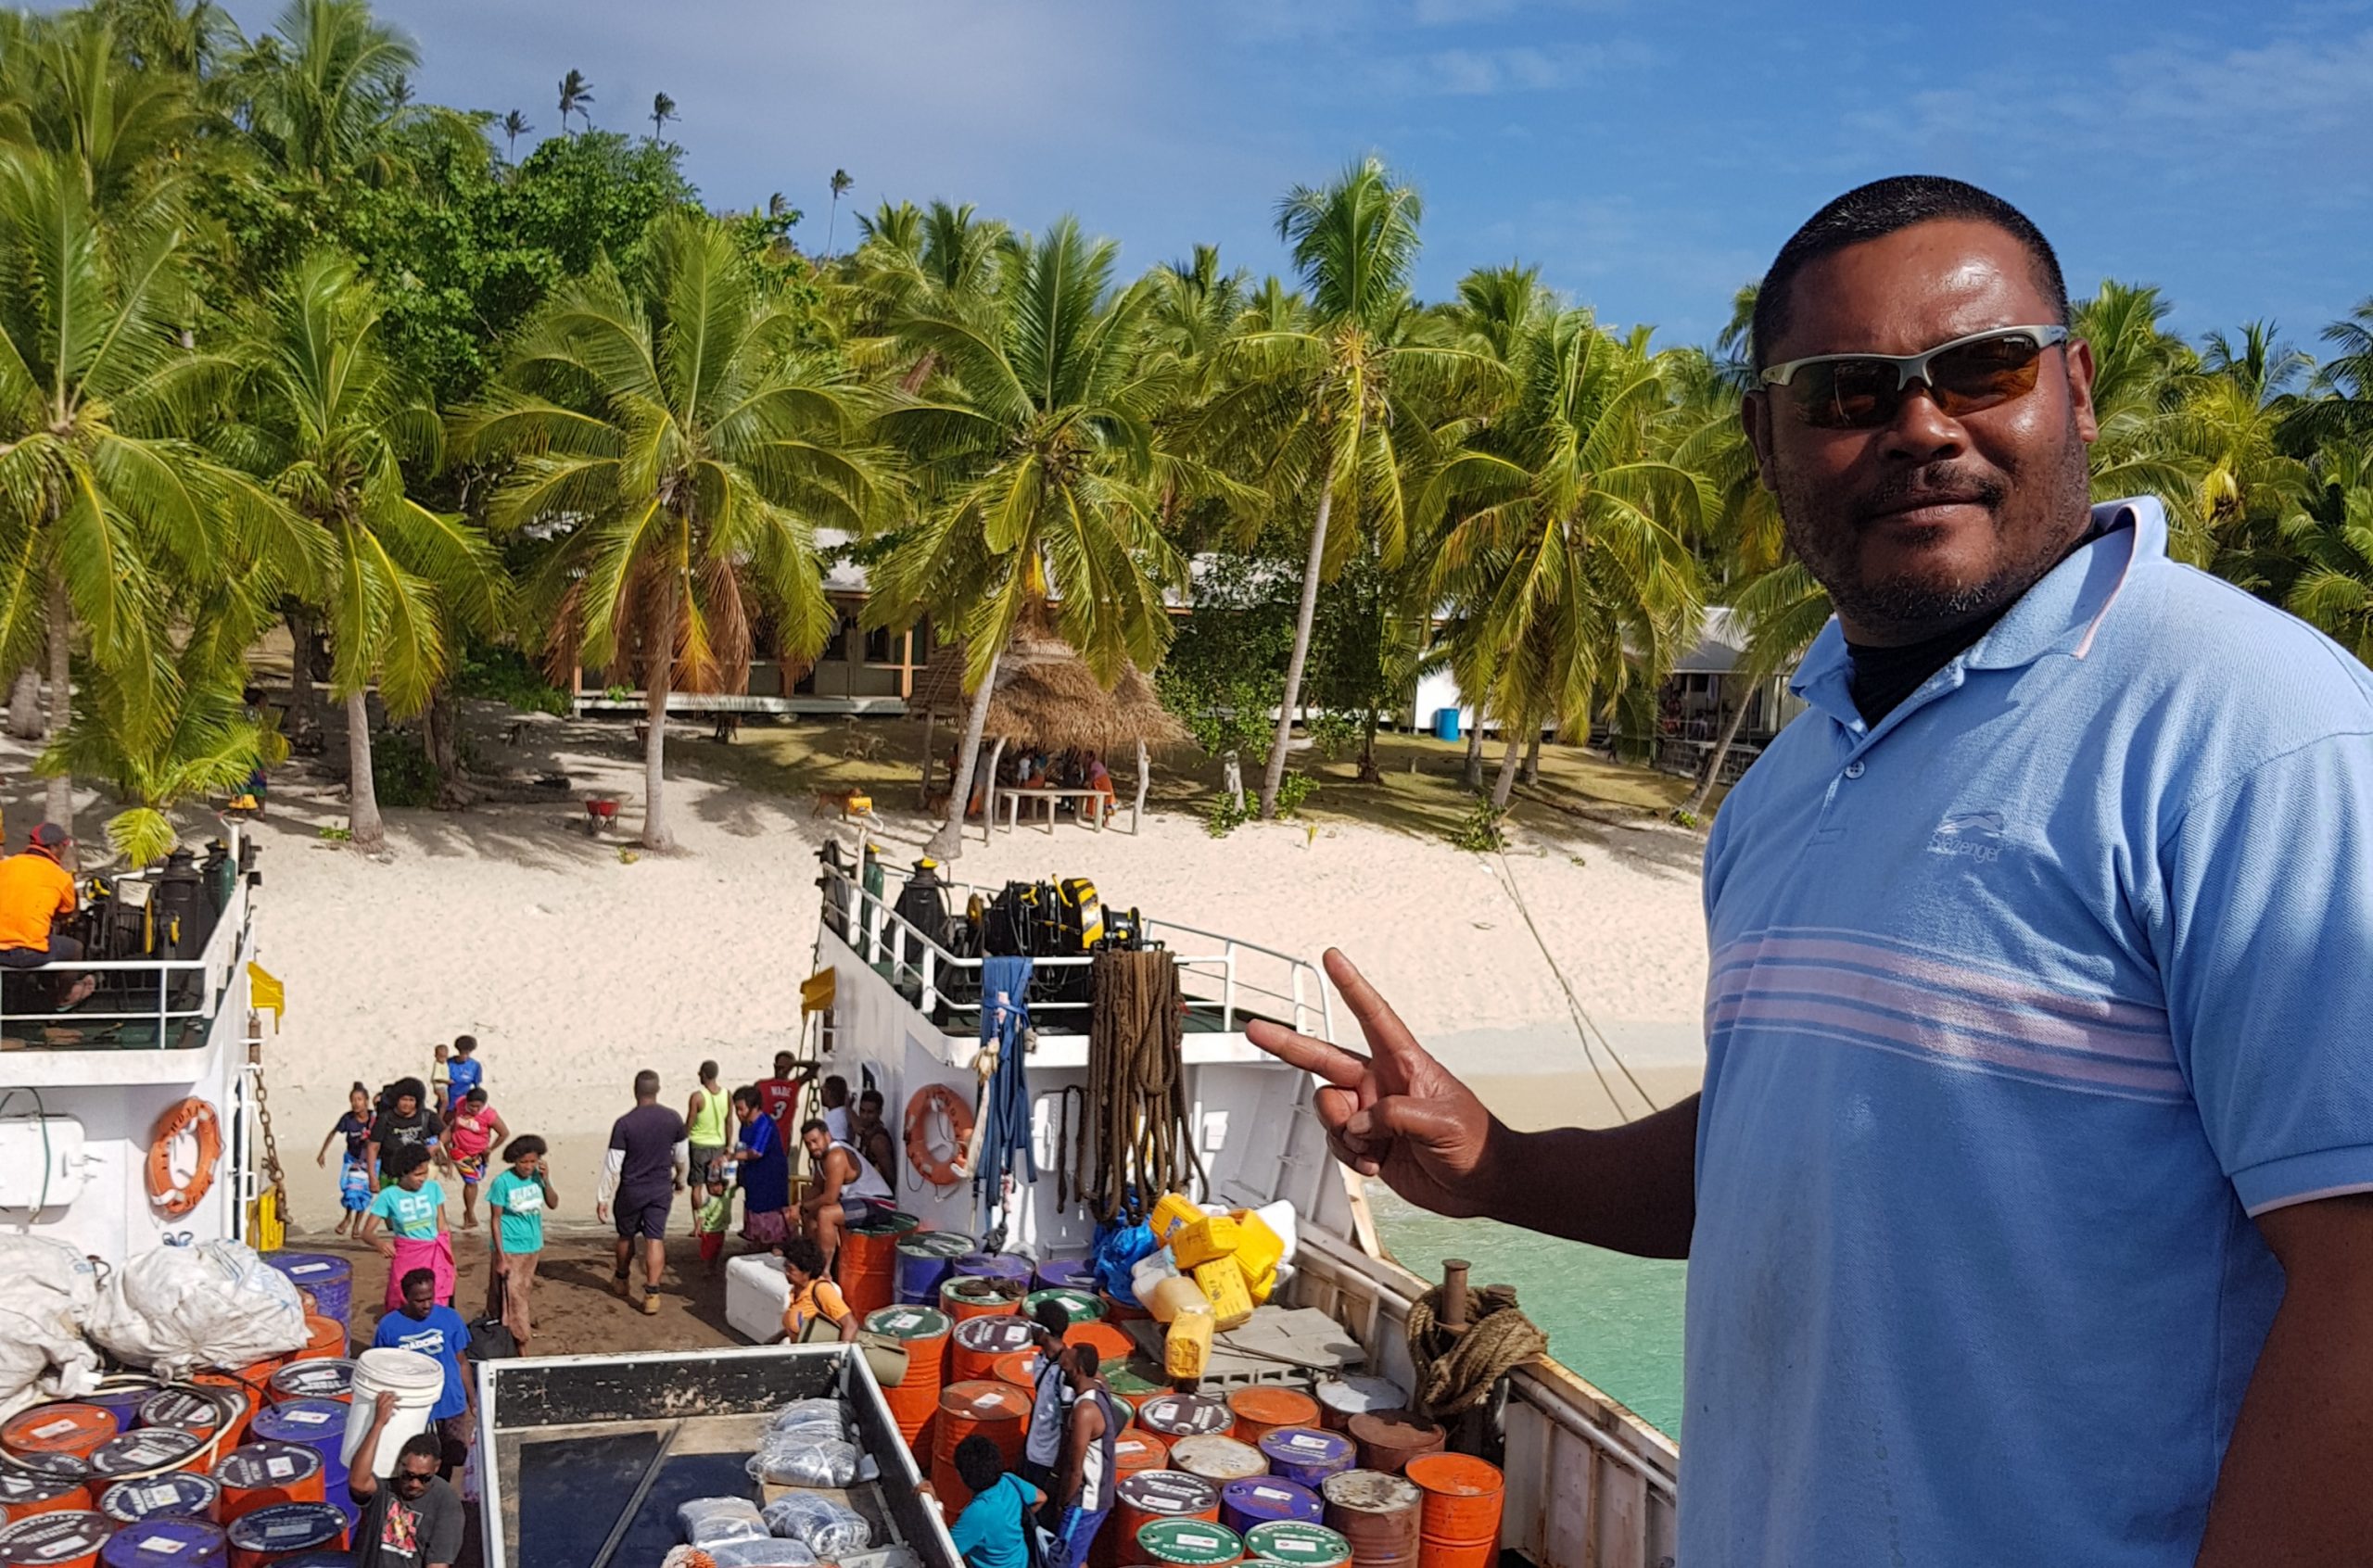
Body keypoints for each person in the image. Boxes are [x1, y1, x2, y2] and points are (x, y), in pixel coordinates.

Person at [1249, 175, 2373, 1568]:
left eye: (1983, 368)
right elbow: (1781, 1146)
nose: (1920, 425)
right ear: (1763, 436)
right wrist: (1495, 1165)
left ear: (2075, 389)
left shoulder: (2251, 732)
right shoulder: (1790, 782)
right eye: (1847, 392)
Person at [595, 1069, 687, 1315]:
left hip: (632, 1188)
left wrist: (603, 1197)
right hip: (660, 1187)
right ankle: (652, 1294)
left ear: (634, 1090)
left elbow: (613, 1164)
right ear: (657, 1090)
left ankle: (622, 1279)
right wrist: (680, 1178)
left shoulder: (625, 1123)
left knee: (626, 1236)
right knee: (655, 1238)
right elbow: (681, 1156)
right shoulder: (674, 1119)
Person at [371, 1268, 473, 1477]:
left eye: (430, 1298)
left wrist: (472, 1398)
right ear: (406, 1297)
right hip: (414, 1405)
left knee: (453, 1456)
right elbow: (381, 1368)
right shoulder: (388, 1327)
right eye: (419, 1300)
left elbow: (461, 1361)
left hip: (450, 1402)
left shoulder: (450, 1318)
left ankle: (442, 1492)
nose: (426, 1305)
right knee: (417, 1458)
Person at [347, 1391, 463, 1568]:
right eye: (408, 1475)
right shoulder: (387, 1485)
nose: (414, 1484)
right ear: (399, 1465)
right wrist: (378, 1424)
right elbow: (358, 1482)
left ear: (436, 1468)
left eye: (424, 1478)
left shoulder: (446, 1502)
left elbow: (438, 1564)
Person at [0, 823, 94, 1008]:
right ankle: (62, 998)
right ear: (53, 847)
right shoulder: (61, 877)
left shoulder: (5, 866)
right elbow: (66, 913)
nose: (64, 852)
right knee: (74, 948)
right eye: (63, 847)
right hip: (26, 953)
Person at [484, 1134, 555, 1355]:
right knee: (515, 1298)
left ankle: (500, 1332)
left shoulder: (537, 1178)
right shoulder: (502, 1183)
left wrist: (546, 1180)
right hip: (510, 1247)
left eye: (532, 1162)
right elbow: (495, 1220)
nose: (528, 1166)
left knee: (518, 1293)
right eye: (524, 1162)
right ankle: (522, 1343)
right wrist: (501, 1256)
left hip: (532, 1247)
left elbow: (553, 1203)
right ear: (514, 1160)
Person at [1046, 1344, 1115, 1568]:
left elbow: (1075, 1468)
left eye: (1066, 1365)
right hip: (1098, 1498)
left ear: (1078, 1370)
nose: (1063, 1370)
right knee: (1077, 1559)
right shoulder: (1100, 1388)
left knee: (1062, 1562)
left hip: (1084, 1500)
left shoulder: (1084, 1411)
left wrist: (1063, 1503)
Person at [361, 1144, 454, 1309]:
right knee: (401, 1299)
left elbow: (443, 1227)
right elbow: (366, 1232)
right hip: (406, 1256)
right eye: (417, 1174)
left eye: (425, 1172)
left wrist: (450, 1262)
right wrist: (379, 1243)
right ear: (404, 1173)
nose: (423, 1178)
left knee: (437, 1301)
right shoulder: (388, 1196)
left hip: (435, 1254)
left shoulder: (433, 1188)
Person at [796, 1117, 892, 1276]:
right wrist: (800, 1207)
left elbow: (829, 1198)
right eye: (808, 1143)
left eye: (815, 1141)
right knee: (811, 1216)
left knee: (825, 1214)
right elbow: (817, 1188)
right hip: (856, 1201)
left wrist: (803, 1206)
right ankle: (810, 1263)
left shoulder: (836, 1155)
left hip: (878, 1204)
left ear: (827, 1136)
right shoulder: (821, 1157)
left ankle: (824, 1272)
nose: (812, 1147)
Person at [948, 1433, 1040, 1568]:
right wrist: (1013, 1523)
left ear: (961, 1475)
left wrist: (936, 1504)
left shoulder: (977, 1513)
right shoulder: (1009, 1481)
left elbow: (946, 1548)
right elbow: (1041, 1498)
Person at [1017, 1296, 1075, 1498]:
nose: (1028, 1330)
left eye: (1032, 1324)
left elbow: (1069, 1426)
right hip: (1032, 1452)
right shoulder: (1040, 1360)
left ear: (1044, 1331)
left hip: (1048, 1461)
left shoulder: (1066, 1372)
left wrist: (1057, 1472)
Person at [730, 1086, 792, 1246]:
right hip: (753, 1178)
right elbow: (743, 1147)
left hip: (770, 1177)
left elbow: (757, 1152)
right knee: (754, 1210)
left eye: (741, 1109)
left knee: (769, 1214)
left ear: (754, 1107)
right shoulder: (745, 1125)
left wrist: (731, 1157)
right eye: (736, 1110)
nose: (738, 1114)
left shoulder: (765, 1124)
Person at [439, 1087, 508, 1232]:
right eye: (472, 1106)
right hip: (459, 1150)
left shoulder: (489, 1115)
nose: (475, 1109)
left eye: (478, 1106)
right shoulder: (459, 1103)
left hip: (478, 1154)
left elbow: (504, 1133)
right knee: (470, 1181)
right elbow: (452, 1120)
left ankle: (468, 1212)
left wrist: (491, 1149)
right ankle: (470, 1214)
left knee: (475, 1180)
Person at [316, 1081, 375, 1237]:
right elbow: (333, 1133)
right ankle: (347, 1218)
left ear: (366, 1101)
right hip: (352, 1159)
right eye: (353, 1100)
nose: (356, 1103)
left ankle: (356, 1227)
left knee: (363, 1192)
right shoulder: (348, 1119)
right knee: (351, 1189)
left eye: (359, 1099)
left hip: (370, 1160)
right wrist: (323, 1152)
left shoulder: (373, 1119)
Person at [366, 1079, 443, 1191]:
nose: (407, 1104)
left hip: (420, 1178)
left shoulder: (427, 1116)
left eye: (411, 1100)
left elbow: (446, 1133)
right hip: (391, 1177)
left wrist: (437, 1145)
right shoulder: (385, 1119)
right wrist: (372, 1177)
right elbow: (373, 1147)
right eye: (404, 1099)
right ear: (396, 1100)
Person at [780, 1235, 858, 1343]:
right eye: (785, 1268)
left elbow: (850, 1325)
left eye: (791, 1270)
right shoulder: (794, 1292)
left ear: (806, 1272)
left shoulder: (821, 1290)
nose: (786, 1273)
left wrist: (841, 1355)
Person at [685, 1058, 731, 1204]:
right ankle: (717, 1221)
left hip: (699, 1145)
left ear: (704, 1075)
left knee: (697, 1186)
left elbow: (690, 1122)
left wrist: (681, 1140)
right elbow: (728, 1122)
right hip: (718, 1145)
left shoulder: (697, 1097)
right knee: (717, 1184)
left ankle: (697, 1224)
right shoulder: (727, 1094)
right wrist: (728, 1145)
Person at [852, 1087, 898, 1191]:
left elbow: (891, 1179)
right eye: (862, 1111)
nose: (864, 1116)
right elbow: (856, 1123)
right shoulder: (866, 1133)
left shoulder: (878, 1141)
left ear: (879, 1112)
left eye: (870, 1112)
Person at [694, 1176, 734, 1274]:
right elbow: (702, 1214)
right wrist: (698, 1227)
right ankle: (707, 1269)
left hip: (721, 1230)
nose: (713, 1188)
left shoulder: (727, 1195)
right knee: (708, 1252)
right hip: (709, 1231)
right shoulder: (710, 1200)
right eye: (711, 1186)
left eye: (716, 1185)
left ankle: (714, 1267)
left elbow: (736, 1187)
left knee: (717, 1251)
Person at [443, 1036, 482, 1115]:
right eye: (462, 1053)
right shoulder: (448, 1063)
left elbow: (477, 1087)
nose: (464, 1056)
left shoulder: (475, 1066)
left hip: (464, 1106)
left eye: (467, 1053)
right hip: (447, 1105)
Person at [819, 1074, 853, 1144]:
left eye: (822, 1090)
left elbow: (838, 1143)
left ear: (828, 1093)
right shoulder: (845, 1114)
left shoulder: (834, 1119)